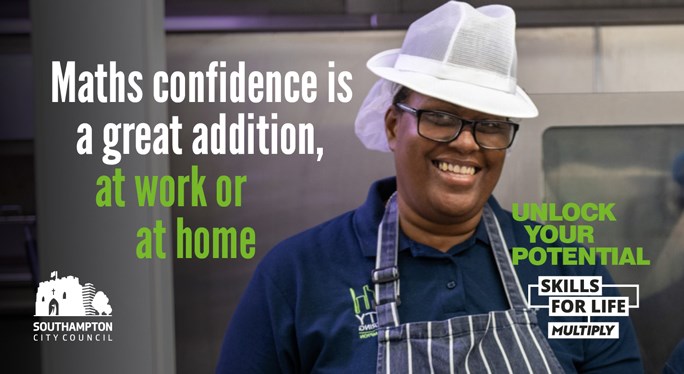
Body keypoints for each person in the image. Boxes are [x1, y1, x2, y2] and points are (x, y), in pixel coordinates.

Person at [216, 1, 643, 372]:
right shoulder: (298, 275)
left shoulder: (567, 267)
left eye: (490, 125)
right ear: (392, 125)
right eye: (439, 116)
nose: (465, 142)